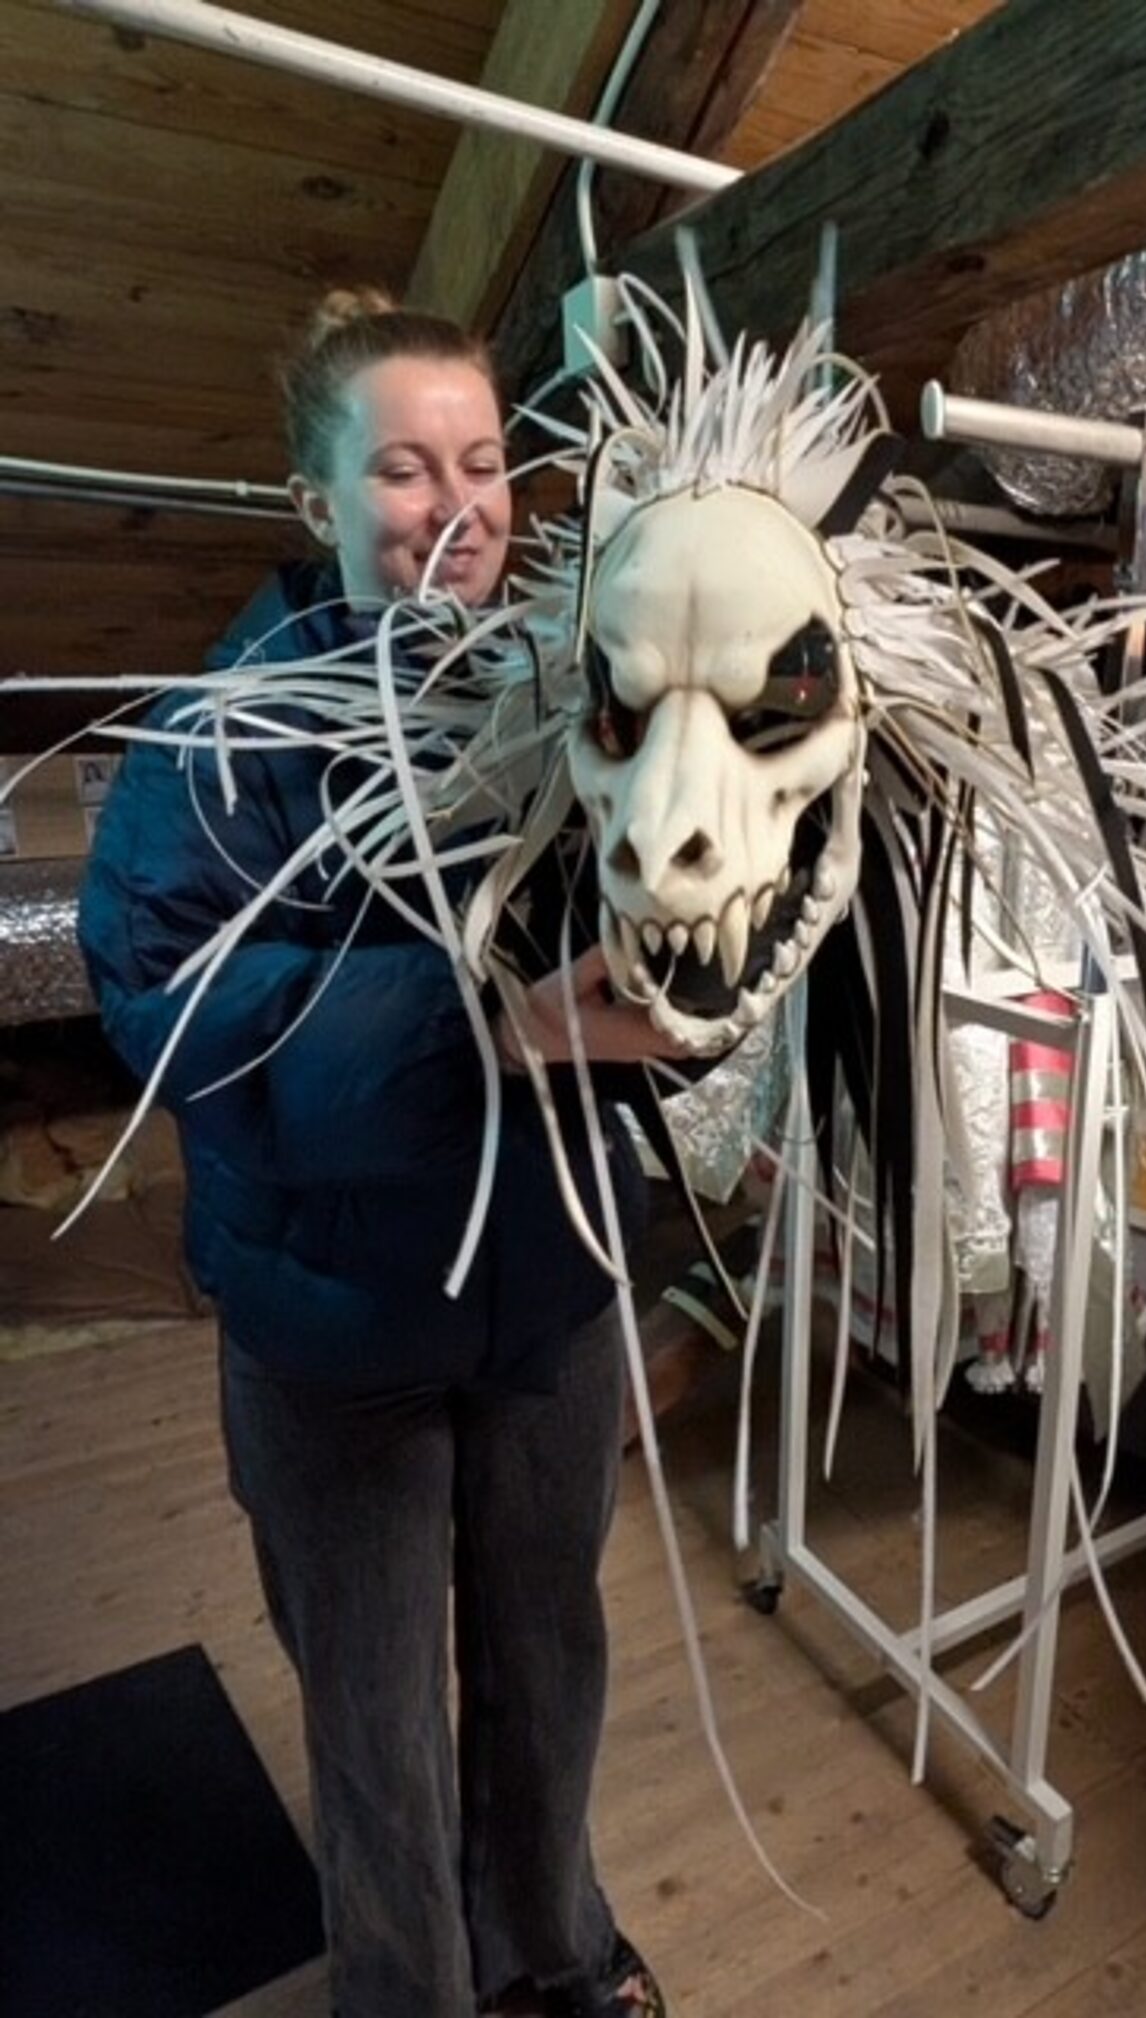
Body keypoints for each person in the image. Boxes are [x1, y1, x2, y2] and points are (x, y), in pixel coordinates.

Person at [78, 288, 676, 2018]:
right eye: (405, 469)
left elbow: (655, 926)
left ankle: (553, 1960)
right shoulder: (222, 735)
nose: (458, 506)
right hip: (333, 1327)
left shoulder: (573, 694)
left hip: (548, 1294)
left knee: (550, 1660)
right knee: (377, 1716)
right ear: (316, 500)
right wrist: (484, 1022)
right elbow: (180, 1004)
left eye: (484, 462)